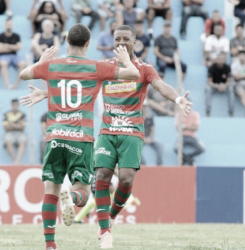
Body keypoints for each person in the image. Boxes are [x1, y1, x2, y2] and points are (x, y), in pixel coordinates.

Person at [20, 24, 192, 249]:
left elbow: (161, 86)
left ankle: (107, 216)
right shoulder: (103, 66)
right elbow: (78, 86)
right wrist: (46, 93)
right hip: (106, 131)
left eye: (125, 39)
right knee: (100, 176)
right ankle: (105, 231)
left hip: (130, 131)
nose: (120, 43)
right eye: (117, 39)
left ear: (134, 43)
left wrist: (178, 99)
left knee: (126, 178)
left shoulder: (143, 68)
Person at [19, 23, 140, 250]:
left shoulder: (51, 65)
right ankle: (72, 200)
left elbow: (23, 74)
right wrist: (125, 58)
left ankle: (50, 245)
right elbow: (133, 74)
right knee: (83, 190)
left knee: (50, 190)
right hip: (81, 138)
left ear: (66, 42)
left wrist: (41, 59)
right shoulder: (96, 67)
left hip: (55, 135)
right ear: (88, 44)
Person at [0, 18, 27, 89]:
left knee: (23, 64)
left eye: (10, 24)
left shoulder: (16, 36)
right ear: (5, 25)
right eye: (7, 24)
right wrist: (13, 47)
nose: (9, 26)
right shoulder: (0, 36)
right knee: (3, 63)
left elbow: (19, 47)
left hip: (14, 56)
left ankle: (16, 85)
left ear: (12, 25)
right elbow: (1, 49)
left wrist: (6, 45)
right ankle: (7, 84)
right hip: (4, 56)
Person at [3, 99, 27, 165]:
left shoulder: (22, 114)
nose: (15, 106)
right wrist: (17, 124)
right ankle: (15, 160)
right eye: (13, 105)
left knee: (23, 141)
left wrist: (11, 124)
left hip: (20, 133)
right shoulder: (6, 114)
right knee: (8, 141)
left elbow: (22, 127)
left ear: (18, 105)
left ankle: (18, 160)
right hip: (9, 133)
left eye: (16, 105)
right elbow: (6, 127)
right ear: (11, 105)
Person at [140, 101, 163, 165]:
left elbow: (152, 129)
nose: (144, 108)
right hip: (140, 137)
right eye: (143, 106)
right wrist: (143, 138)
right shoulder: (137, 117)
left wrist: (150, 138)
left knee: (160, 145)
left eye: (145, 106)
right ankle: (142, 162)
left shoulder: (150, 117)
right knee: (135, 146)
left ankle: (159, 162)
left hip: (149, 137)